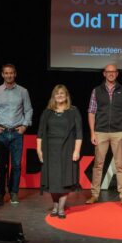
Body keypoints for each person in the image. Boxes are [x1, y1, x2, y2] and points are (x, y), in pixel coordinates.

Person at [86, 64, 122, 205]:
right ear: (104, 74)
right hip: (100, 132)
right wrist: (92, 132)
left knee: (120, 165)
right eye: (108, 72)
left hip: (118, 132)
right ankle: (94, 194)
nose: (111, 74)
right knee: (98, 165)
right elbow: (91, 112)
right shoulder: (97, 91)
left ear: (117, 74)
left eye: (113, 72)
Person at [0, 64, 33, 206]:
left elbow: (29, 110)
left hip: (17, 133)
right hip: (1, 133)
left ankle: (14, 192)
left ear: (15, 74)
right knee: (1, 165)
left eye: (11, 73)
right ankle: (0, 193)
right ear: (2, 74)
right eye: (6, 73)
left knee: (17, 165)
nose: (9, 75)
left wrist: (25, 126)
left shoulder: (23, 91)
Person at [36, 85, 83, 219]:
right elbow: (40, 132)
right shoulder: (47, 112)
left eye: (62, 93)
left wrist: (76, 151)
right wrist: (39, 149)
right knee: (53, 180)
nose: (60, 96)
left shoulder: (73, 111)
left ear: (66, 95)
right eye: (57, 94)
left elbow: (79, 133)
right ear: (53, 96)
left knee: (64, 179)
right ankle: (55, 205)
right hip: (50, 149)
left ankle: (61, 208)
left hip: (67, 149)